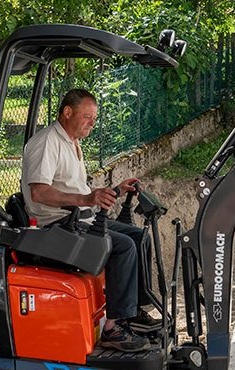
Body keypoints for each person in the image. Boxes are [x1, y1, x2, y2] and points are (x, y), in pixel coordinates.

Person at [21, 89, 160, 352]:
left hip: (80, 219)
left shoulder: (71, 142)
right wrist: (87, 199)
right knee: (122, 246)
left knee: (139, 237)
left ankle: (132, 313)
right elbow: (39, 192)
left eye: (94, 118)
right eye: (87, 117)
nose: (92, 123)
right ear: (67, 112)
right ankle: (112, 328)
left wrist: (115, 191)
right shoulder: (47, 142)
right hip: (57, 227)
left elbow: (74, 189)